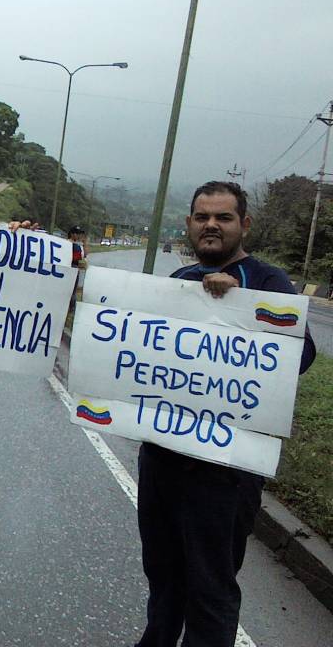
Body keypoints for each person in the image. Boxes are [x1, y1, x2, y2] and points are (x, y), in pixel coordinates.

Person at [133, 181, 315, 647]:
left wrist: (238, 306)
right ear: (190, 224)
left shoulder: (269, 282)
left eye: (223, 217)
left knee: (210, 589)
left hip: (225, 471)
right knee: (163, 576)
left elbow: (301, 354)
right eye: (202, 217)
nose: (211, 225)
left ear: (244, 224)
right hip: (163, 457)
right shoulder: (177, 283)